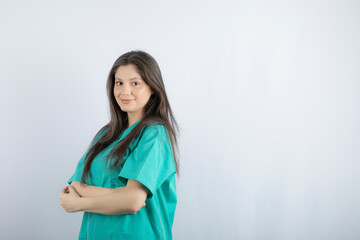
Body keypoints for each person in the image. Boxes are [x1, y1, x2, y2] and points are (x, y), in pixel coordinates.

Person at [59, 50, 180, 240]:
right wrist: (118, 195)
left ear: (153, 88)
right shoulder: (105, 135)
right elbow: (75, 184)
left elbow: (133, 201)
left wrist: (80, 203)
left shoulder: (154, 134)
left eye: (135, 83)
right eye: (119, 83)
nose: (125, 91)